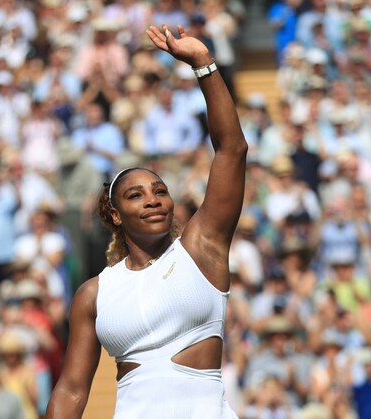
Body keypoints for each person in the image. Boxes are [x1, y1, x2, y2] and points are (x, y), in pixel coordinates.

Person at [46, 24, 247, 418]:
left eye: (160, 191)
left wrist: (203, 64)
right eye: (136, 195)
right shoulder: (94, 293)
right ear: (115, 215)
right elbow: (71, 391)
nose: (153, 200)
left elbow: (231, 150)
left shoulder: (202, 250)